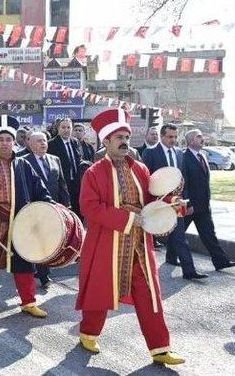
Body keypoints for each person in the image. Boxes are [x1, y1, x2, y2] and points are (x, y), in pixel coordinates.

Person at [77, 108, 185, 366]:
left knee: (150, 294)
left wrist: (171, 203)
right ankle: (88, 332)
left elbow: (151, 200)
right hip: (107, 243)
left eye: (126, 136)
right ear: (105, 142)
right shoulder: (94, 172)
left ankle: (160, 348)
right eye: (118, 137)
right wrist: (126, 219)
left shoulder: (140, 168)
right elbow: (89, 207)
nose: (125, 141)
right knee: (100, 291)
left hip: (138, 244)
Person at [0, 115, 53, 318]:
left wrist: (48, 205)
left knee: (24, 263)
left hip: (21, 222)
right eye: (1, 139)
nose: (5, 143)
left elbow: (38, 189)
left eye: (9, 139)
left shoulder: (24, 165)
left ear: (14, 141)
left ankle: (28, 301)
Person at [142, 124, 204, 279]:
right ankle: (165, 262)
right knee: (172, 235)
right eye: (170, 137)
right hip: (158, 202)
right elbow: (145, 180)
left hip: (177, 202)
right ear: (162, 136)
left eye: (176, 137)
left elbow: (183, 179)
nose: (173, 140)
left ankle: (188, 270)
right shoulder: (150, 153)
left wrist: (186, 201)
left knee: (179, 236)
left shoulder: (179, 153)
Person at [182, 129, 235, 271]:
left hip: (204, 206)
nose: (202, 138)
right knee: (179, 235)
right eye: (199, 137)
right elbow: (184, 183)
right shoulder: (184, 157)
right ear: (191, 140)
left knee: (209, 234)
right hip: (191, 206)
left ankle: (221, 261)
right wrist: (188, 204)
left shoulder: (203, 156)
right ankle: (171, 256)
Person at [24, 131, 71, 287]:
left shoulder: (54, 159)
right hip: (33, 209)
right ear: (30, 144)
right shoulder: (23, 161)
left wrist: (67, 204)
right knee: (35, 242)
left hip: (53, 208)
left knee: (49, 241)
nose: (43, 143)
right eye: (38, 141)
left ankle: (43, 272)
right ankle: (37, 273)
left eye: (44, 140)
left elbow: (62, 183)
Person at [48, 118, 82, 215]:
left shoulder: (75, 142)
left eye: (68, 127)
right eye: (63, 127)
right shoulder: (51, 144)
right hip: (62, 184)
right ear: (58, 128)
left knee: (77, 211)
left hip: (76, 183)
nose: (66, 130)